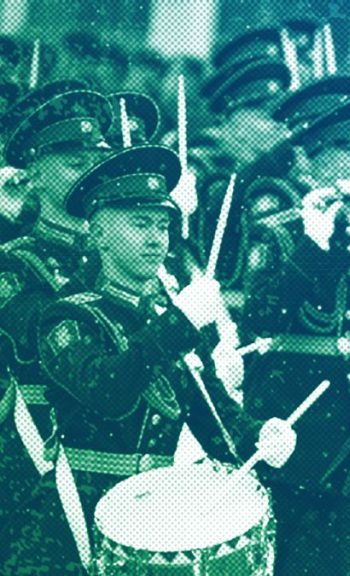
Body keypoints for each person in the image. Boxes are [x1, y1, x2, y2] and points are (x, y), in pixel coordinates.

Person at [4, 145, 296, 574]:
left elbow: (215, 420)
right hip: (71, 519)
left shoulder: (169, 314)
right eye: (141, 225)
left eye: (163, 225)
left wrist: (260, 436)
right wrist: (180, 324)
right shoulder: (68, 316)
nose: (156, 239)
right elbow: (108, 391)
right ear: (100, 233)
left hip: (157, 520)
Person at [240, 92, 350, 574]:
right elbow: (260, 320)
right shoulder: (283, 231)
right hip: (300, 424)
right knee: (298, 557)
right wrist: (313, 245)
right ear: (313, 160)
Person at [0, 83, 112, 536]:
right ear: (33, 175)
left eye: (95, 163)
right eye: (73, 164)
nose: (90, 175)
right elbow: (40, 336)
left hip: (115, 462)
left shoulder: (120, 258)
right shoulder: (14, 261)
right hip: (35, 467)